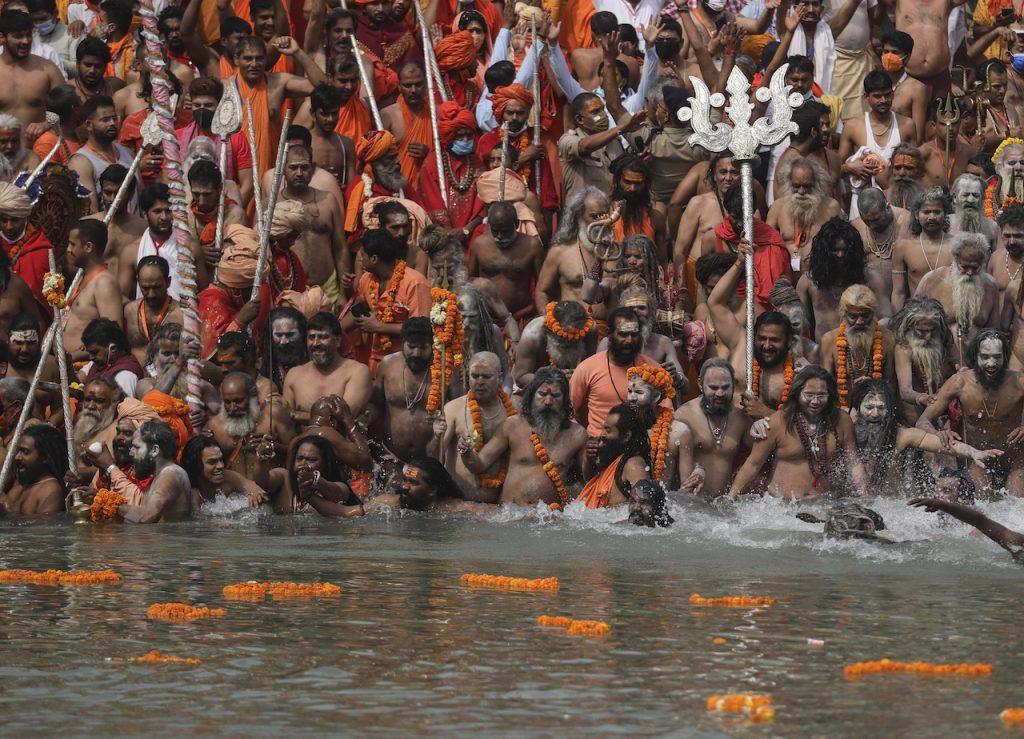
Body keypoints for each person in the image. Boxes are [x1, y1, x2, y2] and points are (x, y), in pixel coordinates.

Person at [729, 365, 868, 500]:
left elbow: (853, 461)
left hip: (825, 505)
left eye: (821, 395)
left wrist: (864, 494)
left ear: (830, 395)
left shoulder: (842, 420)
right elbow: (753, 464)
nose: (815, 401)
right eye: (809, 395)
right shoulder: (777, 422)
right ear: (797, 394)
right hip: (782, 510)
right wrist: (731, 497)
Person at [458, 367, 587, 507]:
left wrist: (592, 456)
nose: (548, 401)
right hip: (510, 517)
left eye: (555, 396)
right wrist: (467, 453)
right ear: (531, 396)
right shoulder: (513, 425)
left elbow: (588, 479)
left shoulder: (577, 434)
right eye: (542, 394)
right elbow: (480, 464)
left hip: (550, 519)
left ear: (564, 400)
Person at [917, 329, 1024, 496]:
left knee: (1017, 502)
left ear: (1005, 358)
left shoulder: (1019, 382)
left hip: (1015, 460)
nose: (991, 364)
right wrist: (938, 433)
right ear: (976, 356)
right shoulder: (959, 382)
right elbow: (923, 421)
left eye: (997, 357)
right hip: (977, 459)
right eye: (985, 357)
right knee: (983, 499)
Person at [849, 379, 1002, 489]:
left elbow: (943, 445)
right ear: (857, 408)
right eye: (868, 407)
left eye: (881, 408)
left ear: (889, 411)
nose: (875, 414)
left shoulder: (903, 436)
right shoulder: (846, 431)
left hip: (891, 505)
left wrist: (974, 452)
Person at [708, 244, 798, 418]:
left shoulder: (798, 369)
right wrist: (739, 264)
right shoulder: (742, 342)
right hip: (732, 435)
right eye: (762, 338)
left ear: (789, 342)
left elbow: (804, 422)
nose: (766, 345)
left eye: (775, 340)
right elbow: (715, 303)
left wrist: (766, 413)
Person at [570, 307, 673, 441]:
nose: (629, 340)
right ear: (610, 334)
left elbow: (667, 414)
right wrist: (585, 440)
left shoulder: (652, 369)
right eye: (623, 334)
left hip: (641, 444)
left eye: (634, 334)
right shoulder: (587, 368)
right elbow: (568, 412)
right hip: (599, 445)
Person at [344, 228, 430, 375]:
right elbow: (358, 312)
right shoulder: (367, 279)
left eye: (362, 255)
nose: (360, 259)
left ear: (374, 259)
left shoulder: (414, 283)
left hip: (408, 363)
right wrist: (332, 330)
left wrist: (379, 327)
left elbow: (422, 330)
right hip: (375, 361)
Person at [435, 351, 515, 503]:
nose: (479, 381)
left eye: (486, 377)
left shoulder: (512, 414)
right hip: (456, 504)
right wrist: (435, 437)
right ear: (468, 376)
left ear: (499, 378)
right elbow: (434, 458)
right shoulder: (452, 409)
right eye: (475, 376)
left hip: (495, 510)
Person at [367, 317, 443, 470]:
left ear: (433, 345)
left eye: (423, 347)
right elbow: (375, 405)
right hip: (392, 458)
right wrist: (360, 422)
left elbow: (457, 410)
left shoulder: (444, 370)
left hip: (432, 461)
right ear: (402, 343)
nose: (416, 353)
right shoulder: (388, 365)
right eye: (411, 346)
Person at [915, 232, 1001, 366]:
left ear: (982, 261)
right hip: (939, 361)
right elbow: (913, 322)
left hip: (977, 365)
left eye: (975, 267)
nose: (970, 272)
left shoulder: (991, 286)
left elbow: (994, 332)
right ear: (955, 259)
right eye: (965, 267)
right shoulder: (931, 280)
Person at [274, 146, 347, 302]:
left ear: (313, 168)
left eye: (304, 167)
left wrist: (343, 293)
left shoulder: (328, 201)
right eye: (293, 167)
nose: (299, 173)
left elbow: (340, 247)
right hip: (286, 291)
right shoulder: (270, 205)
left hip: (327, 289)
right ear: (282, 168)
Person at [673, 358, 750, 498]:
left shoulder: (742, 417)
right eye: (713, 388)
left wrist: (760, 421)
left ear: (734, 384)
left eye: (725, 387)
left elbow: (757, 457)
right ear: (700, 385)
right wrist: (697, 468)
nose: (720, 393)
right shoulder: (684, 415)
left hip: (723, 505)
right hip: (690, 503)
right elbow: (670, 460)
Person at [534, 187, 612, 319]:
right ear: (578, 217)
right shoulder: (560, 251)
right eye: (594, 217)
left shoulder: (616, 251)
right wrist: (550, 322)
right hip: (569, 331)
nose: (601, 222)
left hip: (607, 332)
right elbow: (542, 292)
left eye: (604, 216)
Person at [177, 77, 255, 205]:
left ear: (219, 106)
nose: (202, 110)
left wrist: (230, 211)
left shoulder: (235, 137)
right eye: (197, 105)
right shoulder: (178, 137)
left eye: (208, 105)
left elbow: (248, 184)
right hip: (185, 209)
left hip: (224, 206)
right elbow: (168, 179)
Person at [714, 186, 793, 311]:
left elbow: (781, 287)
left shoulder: (770, 240)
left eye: (745, 218)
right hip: (724, 309)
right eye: (735, 217)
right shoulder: (714, 237)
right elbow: (705, 283)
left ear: (754, 211)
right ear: (727, 211)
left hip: (762, 313)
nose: (740, 224)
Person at [283, 311, 371, 421]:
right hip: (301, 437)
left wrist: (297, 415)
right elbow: (285, 419)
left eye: (323, 337)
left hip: (340, 438)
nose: (315, 343)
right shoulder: (294, 375)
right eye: (311, 337)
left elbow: (344, 419)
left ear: (338, 340)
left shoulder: (357, 372)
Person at [818, 284, 897, 405]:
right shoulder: (829, 340)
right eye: (853, 316)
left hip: (878, 407)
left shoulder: (888, 338)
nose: (860, 322)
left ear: (873, 313)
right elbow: (825, 385)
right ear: (843, 313)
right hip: (842, 409)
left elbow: (890, 383)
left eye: (865, 315)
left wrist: (873, 386)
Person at [469, 201, 544, 322]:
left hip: (521, 317)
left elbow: (543, 286)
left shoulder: (532, 246)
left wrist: (536, 311)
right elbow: (470, 282)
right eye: (495, 231)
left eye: (505, 231)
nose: (499, 236)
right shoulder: (479, 245)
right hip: (487, 319)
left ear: (516, 224)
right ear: (489, 225)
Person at [797, 218, 869, 341]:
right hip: (822, 354)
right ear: (824, 252)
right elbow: (799, 326)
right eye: (835, 250)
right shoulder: (807, 283)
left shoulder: (868, 278)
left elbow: (884, 318)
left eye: (844, 250)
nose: (840, 255)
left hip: (860, 350)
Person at [208, 371, 289, 479]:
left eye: (238, 401)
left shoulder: (274, 415)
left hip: (270, 488)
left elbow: (295, 451)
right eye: (227, 402)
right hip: (234, 491)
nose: (232, 407)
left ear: (253, 397)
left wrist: (275, 447)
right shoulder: (215, 426)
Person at [261, 433, 365, 517]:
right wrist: (261, 457)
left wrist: (314, 480)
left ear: (325, 464)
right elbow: (262, 480)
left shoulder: (341, 487)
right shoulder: (284, 478)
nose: (303, 464)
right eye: (300, 458)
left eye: (312, 460)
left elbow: (335, 491)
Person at [766, 157, 843, 269]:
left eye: (807, 186)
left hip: (822, 276)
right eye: (796, 186)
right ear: (788, 182)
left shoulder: (831, 207)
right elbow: (766, 247)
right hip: (785, 276)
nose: (801, 192)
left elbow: (842, 245)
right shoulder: (777, 208)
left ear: (816, 183)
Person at [62, 218, 123, 358]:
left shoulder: (104, 283)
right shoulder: (81, 276)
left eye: (72, 244)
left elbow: (112, 336)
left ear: (88, 247)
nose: (68, 250)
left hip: (82, 369)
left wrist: (73, 357)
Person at [889, 296, 955, 423]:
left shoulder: (945, 341)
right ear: (909, 326)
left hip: (945, 415)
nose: (928, 337)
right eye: (921, 331)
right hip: (914, 419)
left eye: (932, 330)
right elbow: (905, 390)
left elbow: (960, 369)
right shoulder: (904, 349)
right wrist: (921, 398)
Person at [419, 99, 481, 233]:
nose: (465, 140)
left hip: (473, 229)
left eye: (469, 135)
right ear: (449, 136)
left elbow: (483, 203)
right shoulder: (433, 163)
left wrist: (467, 230)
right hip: (443, 232)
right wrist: (449, 232)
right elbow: (432, 202)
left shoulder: (476, 161)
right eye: (460, 136)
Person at [625, 364, 690, 489]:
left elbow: (686, 488)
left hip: (665, 503)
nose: (631, 398)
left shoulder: (679, 431)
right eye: (629, 391)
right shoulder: (623, 426)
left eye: (638, 392)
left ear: (656, 397)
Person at [116, 420, 193, 523]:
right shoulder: (159, 476)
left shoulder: (171, 473)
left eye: (137, 447)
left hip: (171, 538)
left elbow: (147, 516)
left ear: (154, 450)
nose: (131, 453)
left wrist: (110, 505)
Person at [852, 187, 911, 321]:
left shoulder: (906, 221)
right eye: (867, 221)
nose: (872, 226)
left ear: (888, 207)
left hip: (905, 301)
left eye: (876, 219)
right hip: (870, 305)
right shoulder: (856, 226)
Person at [578, 403, 652, 509]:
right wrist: (589, 459)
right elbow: (589, 480)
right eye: (604, 429)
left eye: (608, 430)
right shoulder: (613, 459)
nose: (602, 434)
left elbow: (645, 508)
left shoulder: (634, 465)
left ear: (626, 436)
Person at [891, 188, 955, 312]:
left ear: (945, 214)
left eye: (937, 212)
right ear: (916, 215)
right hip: (916, 314)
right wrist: (897, 324)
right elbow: (898, 292)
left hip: (949, 316)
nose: (932, 217)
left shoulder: (957, 245)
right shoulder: (903, 247)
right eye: (926, 212)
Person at [513, 300, 599, 389]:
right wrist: (553, 378)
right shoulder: (533, 334)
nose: (568, 343)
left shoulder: (590, 330)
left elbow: (589, 370)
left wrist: (578, 375)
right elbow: (521, 378)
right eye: (563, 339)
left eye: (574, 340)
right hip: (538, 387)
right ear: (549, 330)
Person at [68, 94, 133, 209]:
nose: (112, 123)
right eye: (105, 120)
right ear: (89, 125)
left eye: (114, 118)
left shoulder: (128, 153)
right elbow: (90, 215)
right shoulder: (81, 163)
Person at [908, 497, 1024, 562]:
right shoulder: (1018, 543)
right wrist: (943, 505)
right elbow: (979, 521)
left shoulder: (1018, 544)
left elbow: (980, 521)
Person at [0, 10, 64, 128]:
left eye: (28, 35)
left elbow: (68, 110)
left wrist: (46, 125)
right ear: (2, 37)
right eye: (18, 36)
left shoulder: (48, 70)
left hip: (39, 145)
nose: (25, 41)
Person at [673, 153, 741, 265]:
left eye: (734, 172)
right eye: (723, 172)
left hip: (734, 274)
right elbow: (680, 251)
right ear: (714, 176)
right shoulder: (698, 203)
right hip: (697, 275)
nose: (728, 178)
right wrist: (681, 281)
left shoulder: (749, 207)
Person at [0, 181, 53, 304]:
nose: (9, 227)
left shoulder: (41, 251)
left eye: (15, 220)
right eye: (3, 220)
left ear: (26, 217)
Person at [180, 435, 267, 509]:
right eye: (212, 462)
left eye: (221, 460)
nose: (221, 466)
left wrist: (256, 494)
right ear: (196, 465)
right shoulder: (190, 491)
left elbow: (256, 488)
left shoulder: (228, 477)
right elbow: (197, 517)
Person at [125, 257, 181, 370]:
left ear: (168, 282)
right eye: (145, 288)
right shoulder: (129, 311)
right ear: (138, 282)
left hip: (168, 380)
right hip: (135, 376)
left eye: (157, 287)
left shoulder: (182, 315)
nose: (151, 294)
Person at [187, 160, 249, 263]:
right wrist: (197, 252)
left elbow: (237, 257)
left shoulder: (235, 215)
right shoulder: (186, 214)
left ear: (220, 189)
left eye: (206, 194)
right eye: (196, 194)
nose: (201, 202)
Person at [0, 423, 66, 515]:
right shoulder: (21, 483)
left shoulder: (50, 489)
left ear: (45, 457)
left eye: (25, 452)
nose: (17, 457)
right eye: (18, 451)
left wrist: (5, 509)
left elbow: (45, 528)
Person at [80, 319, 144, 399]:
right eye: (89, 353)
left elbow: (121, 409)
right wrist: (68, 369)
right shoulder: (101, 360)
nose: (91, 357)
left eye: (94, 352)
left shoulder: (125, 376)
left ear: (113, 348)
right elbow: (78, 383)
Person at [73, 375, 122, 460]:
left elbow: (105, 466)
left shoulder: (116, 431)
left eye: (99, 401)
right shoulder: (81, 426)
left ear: (113, 403)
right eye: (87, 400)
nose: (91, 406)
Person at [990, 205, 1024, 320]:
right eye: (1007, 235)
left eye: (1018, 236)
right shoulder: (995, 258)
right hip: (997, 331)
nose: (1012, 241)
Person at [949, 173, 999, 246]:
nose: (970, 200)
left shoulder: (992, 227)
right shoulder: (946, 224)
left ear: (982, 199)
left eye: (976, 196)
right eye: (965, 195)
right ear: (954, 198)